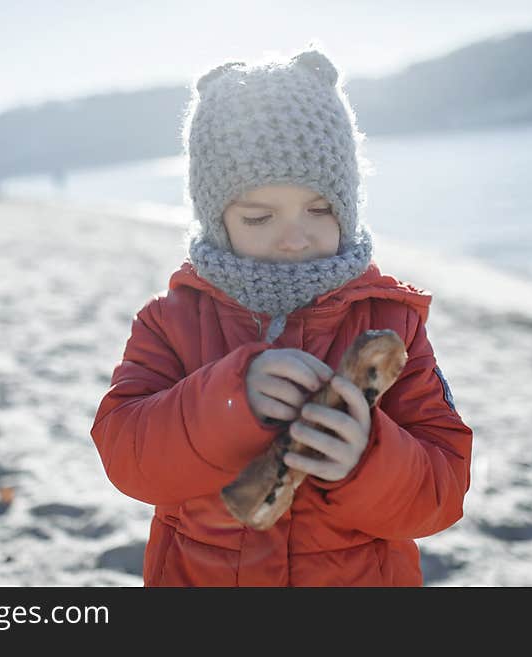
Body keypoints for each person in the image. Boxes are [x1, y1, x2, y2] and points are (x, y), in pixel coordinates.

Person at [90, 46, 473, 586]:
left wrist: (365, 460)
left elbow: (443, 489)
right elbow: (125, 456)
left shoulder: (391, 322)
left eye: (320, 210)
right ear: (217, 218)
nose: (294, 237)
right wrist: (228, 404)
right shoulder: (171, 322)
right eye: (259, 216)